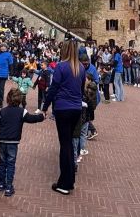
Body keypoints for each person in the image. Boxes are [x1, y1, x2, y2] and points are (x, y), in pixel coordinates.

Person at [41, 38, 86, 195]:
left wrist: (44, 107)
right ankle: (69, 180)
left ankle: (64, 183)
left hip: (63, 108)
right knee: (68, 144)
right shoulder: (80, 67)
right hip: (76, 109)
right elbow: (81, 90)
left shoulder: (61, 67)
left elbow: (53, 89)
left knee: (65, 146)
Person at [0, 87, 45, 196]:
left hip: (2, 141)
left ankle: (1, 184)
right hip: (13, 142)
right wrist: (41, 117)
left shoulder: (2, 111)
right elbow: (31, 119)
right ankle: (9, 188)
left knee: (2, 162)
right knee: (11, 164)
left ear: (8, 98)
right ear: (20, 99)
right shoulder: (22, 111)